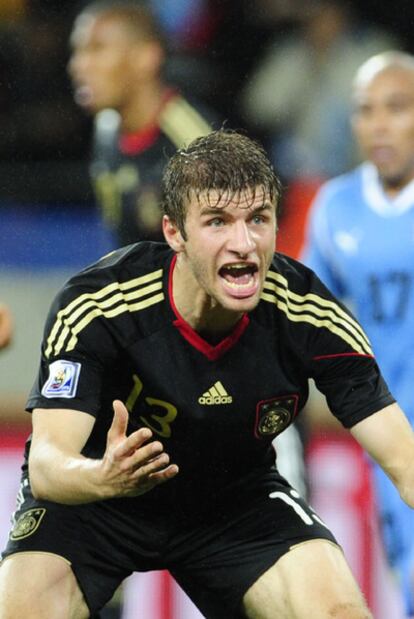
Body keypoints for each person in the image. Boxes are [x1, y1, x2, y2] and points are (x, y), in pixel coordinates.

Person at [0, 129, 413, 619]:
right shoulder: (98, 305)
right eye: (218, 222)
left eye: (258, 219)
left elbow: (404, 463)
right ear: (174, 232)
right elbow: (48, 466)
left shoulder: (308, 313)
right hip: (96, 502)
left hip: (233, 503)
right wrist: (101, 476)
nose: (244, 244)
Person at [301, 50, 414, 617]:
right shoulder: (336, 208)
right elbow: (297, 315)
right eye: (366, 110)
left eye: (397, 107)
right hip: (387, 435)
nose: (380, 124)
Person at [68, 0, 215, 247]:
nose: (78, 65)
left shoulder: (196, 143)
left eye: (97, 49)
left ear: (147, 57)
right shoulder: (105, 130)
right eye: (77, 51)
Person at [239, 0, 396, 182]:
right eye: (313, 16)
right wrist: (307, 74)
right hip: (295, 177)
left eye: (326, 12)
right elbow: (258, 108)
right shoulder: (291, 53)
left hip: (359, 173)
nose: (321, 23)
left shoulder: (374, 51)